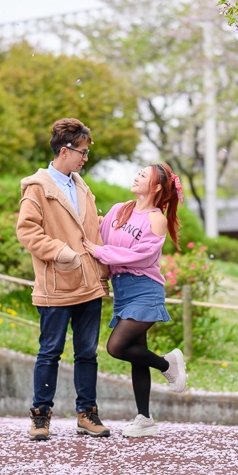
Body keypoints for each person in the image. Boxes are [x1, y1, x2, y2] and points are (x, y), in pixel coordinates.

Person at [16, 118, 111, 441]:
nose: (85, 158)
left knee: (87, 353)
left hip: (88, 286)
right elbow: (27, 231)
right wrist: (60, 252)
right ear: (65, 150)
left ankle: (87, 413)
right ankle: (40, 416)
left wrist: (103, 273)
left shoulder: (81, 186)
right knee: (50, 352)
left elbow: (92, 232)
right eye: (83, 152)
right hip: (56, 286)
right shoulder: (37, 188)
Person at [82, 162, 187, 438]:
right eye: (138, 172)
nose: (137, 176)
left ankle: (167, 364)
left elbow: (141, 256)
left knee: (116, 347)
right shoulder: (119, 209)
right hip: (122, 291)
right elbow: (99, 236)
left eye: (144, 174)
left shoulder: (156, 219)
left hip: (145, 289)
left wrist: (100, 252)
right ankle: (144, 418)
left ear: (155, 187)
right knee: (137, 355)